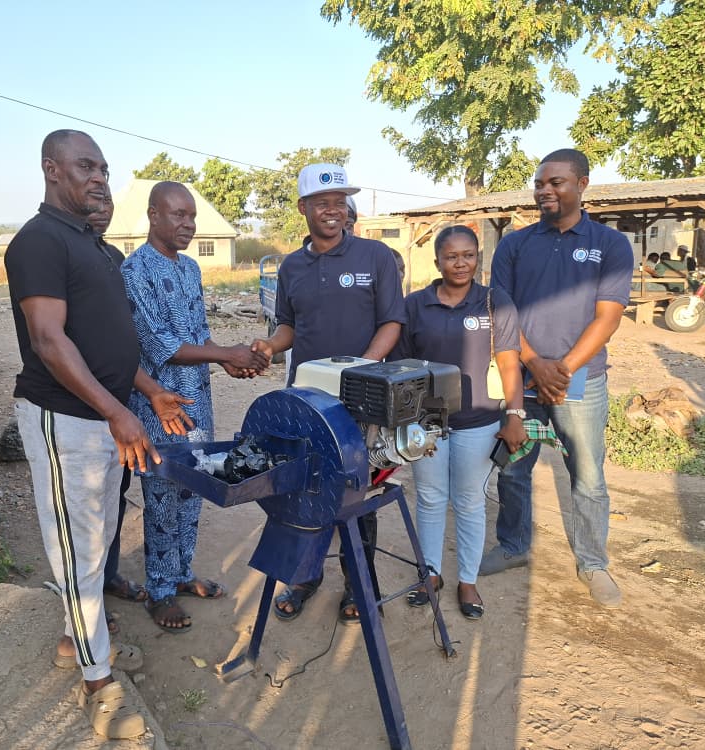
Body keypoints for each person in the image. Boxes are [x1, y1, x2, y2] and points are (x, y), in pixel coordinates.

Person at [4, 129, 192, 739]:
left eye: (104, 168)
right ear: (51, 169)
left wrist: (150, 390)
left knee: (97, 537)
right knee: (79, 549)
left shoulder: (94, 247)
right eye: (86, 166)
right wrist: (116, 411)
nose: (99, 178)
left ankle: (75, 641)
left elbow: (106, 341)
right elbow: (49, 341)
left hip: (104, 417)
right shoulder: (39, 241)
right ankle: (97, 682)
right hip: (67, 418)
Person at [252, 163, 406, 623]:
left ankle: (360, 583)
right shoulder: (292, 267)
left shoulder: (375, 256)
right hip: (308, 400)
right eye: (322, 203)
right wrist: (270, 346)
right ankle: (305, 576)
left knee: (359, 492)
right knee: (305, 487)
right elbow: (289, 326)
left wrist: (362, 368)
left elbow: (392, 322)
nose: (332, 210)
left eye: (339, 202)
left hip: (362, 399)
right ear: (303, 208)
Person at [482, 148, 633, 609]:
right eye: (539, 183)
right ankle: (513, 546)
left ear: (582, 185)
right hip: (523, 378)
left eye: (555, 182)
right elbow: (502, 313)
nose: (544, 190)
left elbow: (608, 318)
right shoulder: (514, 245)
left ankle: (593, 562)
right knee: (514, 467)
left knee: (587, 475)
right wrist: (534, 362)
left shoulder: (610, 244)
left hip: (580, 380)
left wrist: (562, 370)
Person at [121, 181, 269, 633]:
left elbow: (199, 333)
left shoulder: (189, 268)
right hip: (159, 406)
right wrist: (226, 353)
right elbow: (159, 344)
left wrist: (228, 361)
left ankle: (182, 573)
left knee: (193, 490)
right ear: (153, 215)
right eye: (178, 215)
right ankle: (159, 590)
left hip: (197, 402)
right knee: (162, 497)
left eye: (192, 217)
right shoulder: (133, 272)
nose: (187, 225)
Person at [395, 226, 526, 620]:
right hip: (426, 423)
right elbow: (401, 369)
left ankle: (467, 580)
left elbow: (509, 363)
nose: (460, 263)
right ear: (437, 262)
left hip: (478, 421)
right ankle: (430, 574)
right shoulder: (414, 305)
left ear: (478, 258)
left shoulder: (494, 302)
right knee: (431, 498)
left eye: (468, 255)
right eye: (451, 256)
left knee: (469, 501)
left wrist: (515, 415)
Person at [87, 189, 149, 611]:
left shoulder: (113, 257)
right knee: (85, 509)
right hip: (82, 406)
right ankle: (84, 610)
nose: (102, 209)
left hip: (121, 401)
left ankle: (107, 578)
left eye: (107, 202)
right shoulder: (62, 251)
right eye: (94, 202)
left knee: (115, 494)